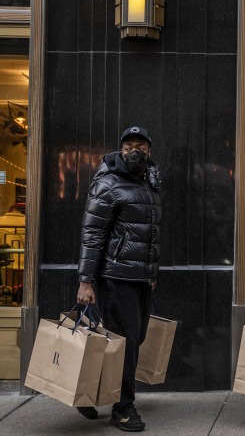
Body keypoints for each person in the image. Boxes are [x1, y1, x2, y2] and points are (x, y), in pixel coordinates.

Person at [76, 125, 161, 432]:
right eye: (128, 146)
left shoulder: (150, 181)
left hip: (140, 277)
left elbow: (148, 235)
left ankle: (87, 390)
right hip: (115, 275)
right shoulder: (107, 183)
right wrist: (85, 281)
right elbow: (92, 233)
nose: (134, 151)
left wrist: (150, 273)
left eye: (140, 145)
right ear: (120, 150)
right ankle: (123, 408)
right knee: (125, 343)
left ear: (149, 150)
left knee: (132, 340)